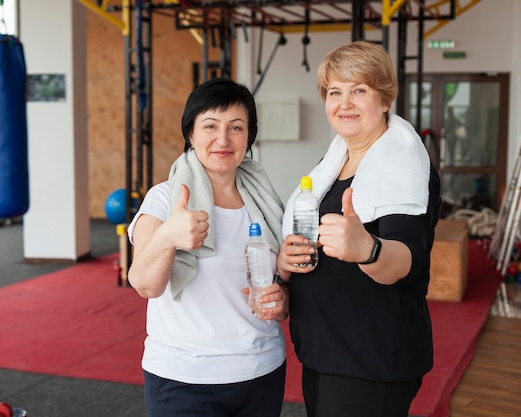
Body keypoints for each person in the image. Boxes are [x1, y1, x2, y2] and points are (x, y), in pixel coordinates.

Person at [277, 41, 441, 417]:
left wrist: (368, 249)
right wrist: (288, 259)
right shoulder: (335, 163)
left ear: (384, 100)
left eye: (359, 90)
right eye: (335, 92)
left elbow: (407, 260)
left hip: (372, 358)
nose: (344, 103)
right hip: (325, 348)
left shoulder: (403, 167)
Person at [127, 77, 289, 417]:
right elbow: (144, 283)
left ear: (249, 136)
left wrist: (282, 298)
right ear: (191, 134)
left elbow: (280, 283)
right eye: (210, 126)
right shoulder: (164, 199)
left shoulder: (267, 202)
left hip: (261, 369)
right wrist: (167, 237)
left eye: (236, 127)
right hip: (183, 376)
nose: (223, 139)